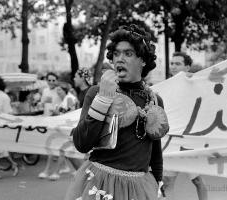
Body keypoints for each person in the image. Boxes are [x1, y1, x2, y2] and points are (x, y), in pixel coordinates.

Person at [65, 24, 169, 200]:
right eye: (116, 53)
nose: (120, 59)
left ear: (143, 60)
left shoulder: (154, 100)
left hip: (139, 188)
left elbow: (155, 151)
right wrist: (103, 99)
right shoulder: (96, 92)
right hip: (100, 184)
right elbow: (81, 144)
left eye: (128, 53)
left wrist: (156, 183)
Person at [162, 52, 208, 200]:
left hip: (189, 142)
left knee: (198, 181)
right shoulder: (166, 87)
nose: (173, 67)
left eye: (178, 64)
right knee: (167, 182)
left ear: (187, 67)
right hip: (172, 142)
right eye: (172, 63)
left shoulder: (195, 85)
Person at [38, 83, 78, 180]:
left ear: (65, 90)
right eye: (57, 90)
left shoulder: (69, 98)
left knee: (61, 149)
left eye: (60, 90)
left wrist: (56, 112)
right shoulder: (65, 99)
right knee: (58, 149)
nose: (58, 92)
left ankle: (54, 172)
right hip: (63, 128)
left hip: (69, 128)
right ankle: (53, 170)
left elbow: (68, 113)